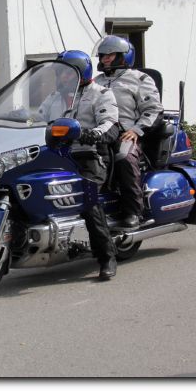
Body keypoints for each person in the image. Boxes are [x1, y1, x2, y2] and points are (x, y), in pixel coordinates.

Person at [56, 50, 120, 280]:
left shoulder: (101, 93)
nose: (61, 76)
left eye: (66, 72)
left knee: (88, 200)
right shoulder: (55, 97)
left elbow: (110, 124)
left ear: (80, 71)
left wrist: (92, 134)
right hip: (59, 157)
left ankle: (107, 258)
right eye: (60, 72)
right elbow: (38, 117)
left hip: (90, 156)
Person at [93, 35, 163, 228]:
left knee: (124, 157)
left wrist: (136, 130)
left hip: (125, 132)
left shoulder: (139, 79)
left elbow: (153, 110)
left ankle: (133, 212)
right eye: (102, 56)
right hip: (98, 132)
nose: (105, 59)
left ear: (124, 56)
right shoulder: (95, 81)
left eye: (110, 55)